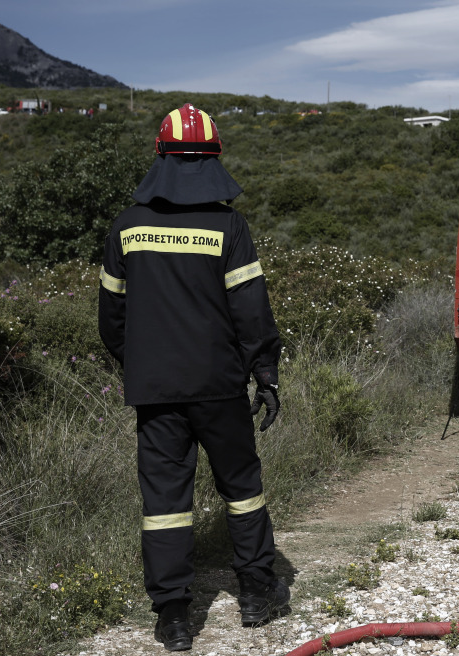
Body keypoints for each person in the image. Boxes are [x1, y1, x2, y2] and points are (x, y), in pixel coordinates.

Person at [98, 102, 289, 652]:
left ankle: (174, 618)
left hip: (154, 391)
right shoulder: (228, 225)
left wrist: (142, 363)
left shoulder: (127, 226)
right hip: (220, 386)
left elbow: (111, 320)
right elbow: (251, 311)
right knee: (242, 490)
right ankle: (256, 593)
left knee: (163, 502)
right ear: (213, 157)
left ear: (160, 155)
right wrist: (265, 373)